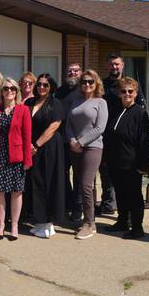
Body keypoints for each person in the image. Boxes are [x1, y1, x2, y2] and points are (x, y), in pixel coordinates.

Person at [104, 77, 149, 239]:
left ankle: (137, 228)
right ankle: (122, 221)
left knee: (134, 196)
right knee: (120, 193)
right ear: (119, 93)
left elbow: (145, 141)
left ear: (136, 93)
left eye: (130, 91)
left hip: (132, 163)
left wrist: (143, 164)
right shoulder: (115, 110)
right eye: (123, 91)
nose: (126, 94)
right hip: (115, 162)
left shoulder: (140, 113)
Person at [0, 78, 32, 241]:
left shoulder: (23, 110)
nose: (9, 91)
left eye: (12, 88)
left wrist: (27, 160)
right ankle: (1, 225)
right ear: (2, 92)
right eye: (5, 88)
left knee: (16, 192)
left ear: (17, 92)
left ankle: (15, 226)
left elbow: (27, 137)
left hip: (16, 157)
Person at [100, 53, 145, 215]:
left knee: (130, 188)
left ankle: (135, 223)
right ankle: (112, 207)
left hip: (128, 148)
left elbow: (143, 133)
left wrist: (143, 161)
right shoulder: (102, 85)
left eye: (117, 64)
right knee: (109, 177)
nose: (114, 67)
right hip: (108, 139)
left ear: (123, 65)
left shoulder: (131, 85)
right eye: (111, 64)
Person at [66, 69, 108, 240]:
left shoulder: (101, 102)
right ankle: (91, 221)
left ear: (96, 83)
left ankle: (88, 223)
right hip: (75, 148)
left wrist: (81, 142)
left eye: (91, 81)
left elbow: (100, 128)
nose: (87, 84)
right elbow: (68, 124)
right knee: (81, 185)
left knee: (85, 184)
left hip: (92, 147)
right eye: (84, 82)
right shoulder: (76, 101)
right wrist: (71, 141)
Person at [25, 73, 66, 239]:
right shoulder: (29, 102)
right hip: (32, 148)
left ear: (51, 87)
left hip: (49, 148)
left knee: (48, 183)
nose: (42, 87)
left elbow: (54, 126)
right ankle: (39, 221)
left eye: (45, 85)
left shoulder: (55, 103)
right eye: (40, 84)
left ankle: (48, 224)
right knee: (35, 182)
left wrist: (36, 145)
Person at [56, 62, 84, 223]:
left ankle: (78, 207)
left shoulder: (84, 90)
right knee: (63, 174)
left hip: (79, 141)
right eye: (69, 70)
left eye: (76, 70)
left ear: (81, 73)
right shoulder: (60, 91)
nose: (72, 73)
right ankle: (68, 204)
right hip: (62, 140)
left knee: (79, 176)